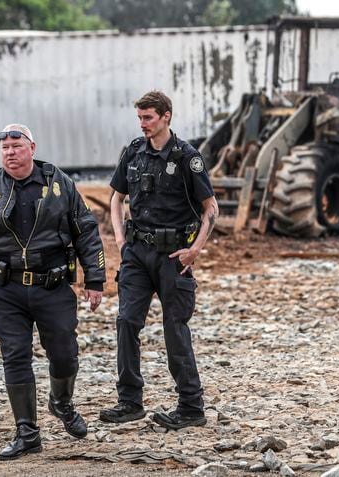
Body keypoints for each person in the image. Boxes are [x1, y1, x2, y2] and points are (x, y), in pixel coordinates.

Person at [0, 124, 106, 460]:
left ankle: (61, 402)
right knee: (15, 355)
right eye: (4, 147)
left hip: (52, 285)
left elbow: (87, 232)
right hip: (5, 288)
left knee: (64, 352)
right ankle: (27, 432)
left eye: (17, 146)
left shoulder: (58, 184)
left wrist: (95, 279)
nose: (10, 152)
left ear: (32, 147)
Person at [99, 90, 218, 430]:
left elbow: (211, 207)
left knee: (174, 328)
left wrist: (195, 248)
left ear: (166, 116)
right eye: (140, 118)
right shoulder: (134, 152)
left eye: (148, 118)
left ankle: (191, 407)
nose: (143, 124)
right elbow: (116, 198)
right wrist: (120, 240)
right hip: (137, 252)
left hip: (173, 255)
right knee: (126, 322)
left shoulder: (186, 157)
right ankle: (129, 401)